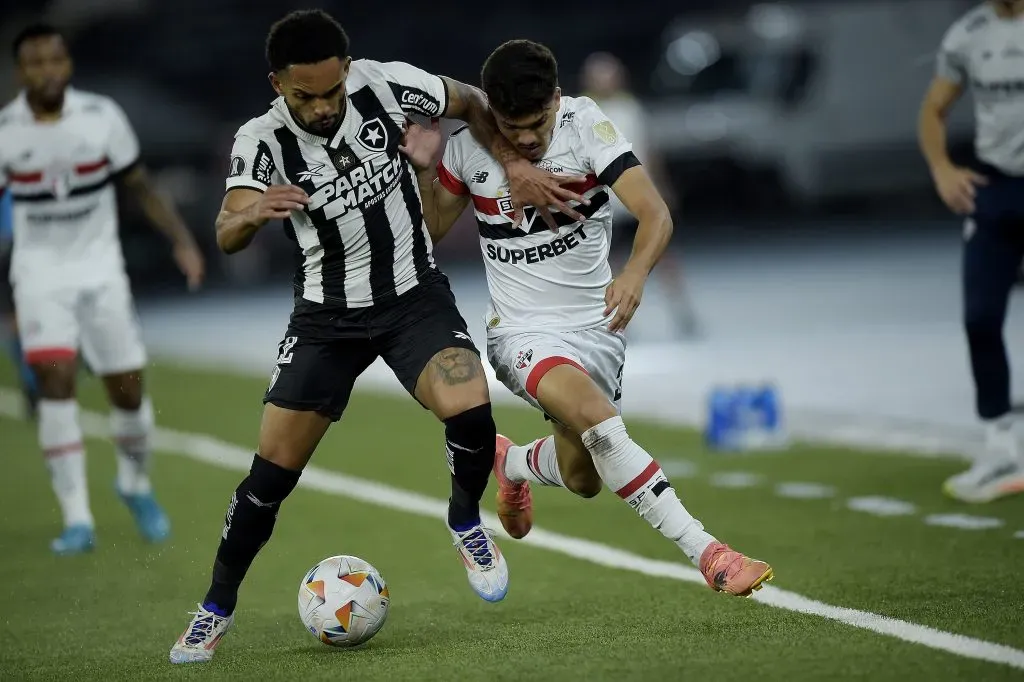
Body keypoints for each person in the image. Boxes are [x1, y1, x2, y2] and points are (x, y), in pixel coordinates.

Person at [168, 10, 588, 665]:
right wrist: (254, 212)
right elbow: (226, 230)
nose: (323, 106)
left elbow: (471, 100)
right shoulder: (262, 139)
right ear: (278, 84)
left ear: (346, 69)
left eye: (332, 90)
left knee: (471, 408)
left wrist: (511, 163)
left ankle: (464, 521)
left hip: (412, 299)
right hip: (325, 323)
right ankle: (213, 610)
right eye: (306, 96)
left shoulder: (387, 84)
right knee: (268, 479)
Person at [406, 39, 773, 598]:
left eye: (537, 124)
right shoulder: (468, 149)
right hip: (521, 334)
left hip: (597, 331)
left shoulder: (586, 127)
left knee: (583, 478)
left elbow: (655, 213)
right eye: (512, 128)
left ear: (557, 98)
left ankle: (514, 464)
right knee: (600, 423)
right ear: (492, 115)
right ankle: (710, 553)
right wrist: (422, 170)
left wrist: (635, 273)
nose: (526, 139)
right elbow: (429, 232)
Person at [0, 24, 205, 554]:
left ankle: (134, 484)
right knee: (56, 382)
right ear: (21, 72)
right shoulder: (7, 132)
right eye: (36, 63)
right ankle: (77, 519)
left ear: (68, 64)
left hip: (101, 271)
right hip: (40, 275)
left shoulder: (102, 116)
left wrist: (182, 241)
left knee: (128, 391)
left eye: (55, 60)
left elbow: (141, 186)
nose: (47, 71)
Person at [917, 0, 1024, 502]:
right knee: (980, 318)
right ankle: (1001, 450)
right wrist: (942, 168)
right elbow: (933, 109)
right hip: (996, 189)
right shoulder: (969, 32)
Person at [579, 52, 700, 338]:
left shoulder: (630, 107)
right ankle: (617, 320)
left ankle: (683, 313)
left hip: (636, 200)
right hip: (604, 202)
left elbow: (648, 150)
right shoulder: (582, 110)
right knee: (607, 264)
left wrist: (661, 187)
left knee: (661, 255)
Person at [0, 187, 39, 418]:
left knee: (17, 322)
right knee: (20, 321)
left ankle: (31, 382)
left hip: (15, 243)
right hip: (17, 243)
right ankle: (32, 382)